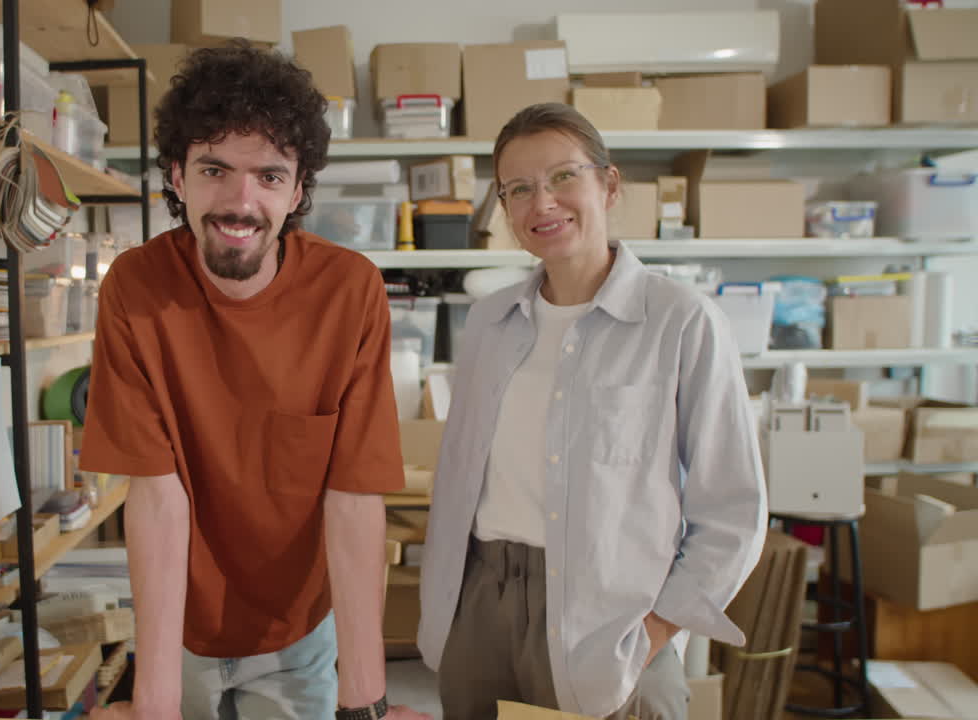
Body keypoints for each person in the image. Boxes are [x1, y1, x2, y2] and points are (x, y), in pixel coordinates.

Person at [79, 42, 430, 720]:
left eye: (269, 176)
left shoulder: (348, 292)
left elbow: (353, 500)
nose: (241, 202)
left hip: (298, 633)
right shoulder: (136, 289)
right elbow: (156, 498)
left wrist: (367, 704)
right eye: (216, 169)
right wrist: (153, 703)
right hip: (177, 629)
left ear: (298, 191)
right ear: (177, 176)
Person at [417, 102, 768, 720]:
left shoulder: (681, 321)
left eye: (562, 178)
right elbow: (459, 479)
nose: (542, 204)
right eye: (518, 189)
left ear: (608, 185)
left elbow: (734, 508)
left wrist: (657, 631)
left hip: (611, 621)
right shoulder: (487, 323)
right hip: (483, 607)